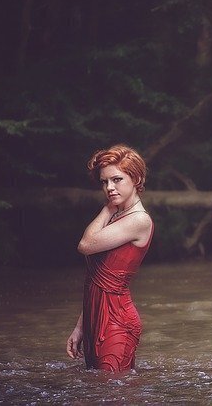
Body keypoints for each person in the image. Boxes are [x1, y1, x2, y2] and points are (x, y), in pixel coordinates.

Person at [66, 144, 154, 372]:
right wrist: (81, 327)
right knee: (101, 393)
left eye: (117, 180)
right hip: (95, 319)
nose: (109, 187)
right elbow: (96, 280)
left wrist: (107, 208)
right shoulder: (119, 217)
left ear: (136, 179)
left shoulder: (138, 220)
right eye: (104, 182)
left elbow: (85, 245)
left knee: (111, 394)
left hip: (118, 322)